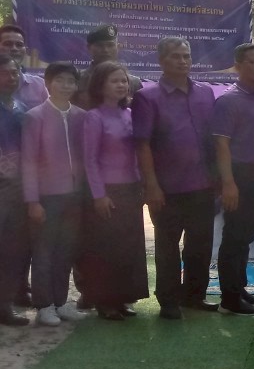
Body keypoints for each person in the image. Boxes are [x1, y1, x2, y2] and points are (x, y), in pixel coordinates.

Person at [133, 37, 218, 320]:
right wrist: (151, 185)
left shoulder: (205, 93)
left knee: (200, 244)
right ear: (161, 61)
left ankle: (194, 295)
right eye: (175, 56)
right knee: (167, 246)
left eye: (186, 56)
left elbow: (212, 139)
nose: (183, 61)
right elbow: (142, 144)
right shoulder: (148, 97)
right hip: (167, 188)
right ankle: (168, 300)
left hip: (203, 184)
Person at [210, 43, 254, 316]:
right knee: (235, 236)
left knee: (246, 235)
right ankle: (230, 297)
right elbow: (222, 146)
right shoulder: (228, 101)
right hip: (239, 175)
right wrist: (228, 183)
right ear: (238, 66)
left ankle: (240, 287)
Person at [79, 61, 148, 319]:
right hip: (107, 191)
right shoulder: (93, 117)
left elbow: (138, 155)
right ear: (100, 85)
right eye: (114, 81)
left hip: (131, 189)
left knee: (128, 247)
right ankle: (105, 302)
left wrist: (141, 185)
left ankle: (123, 298)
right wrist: (99, 195)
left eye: (123, 80)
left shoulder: (130, 114)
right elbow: (90, 160)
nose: (121, 85)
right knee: (106, 249)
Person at [21, 62, 86, 327]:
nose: (66, 86)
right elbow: (28, 162)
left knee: (65, 250)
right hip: (47, 197)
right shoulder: (34, 117)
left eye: (71, 81)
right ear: (48, 83)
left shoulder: (81, 116)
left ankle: (61, 302)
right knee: (44, 252)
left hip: (75, 196)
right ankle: (44, 305)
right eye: (60, 80)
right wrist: (32, 200)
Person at [0, 55, 31, 325]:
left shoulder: (21, 109)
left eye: (15, 73)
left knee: (12, 251)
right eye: (6, 73)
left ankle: (5, 306)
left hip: (18, 191)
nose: (12, 77)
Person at [73, 25, 141, 108]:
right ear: (89, 48)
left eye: (110, 45)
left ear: (118, 47)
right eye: (99, 46)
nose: (105, 50)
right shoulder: (77, 79)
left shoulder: (133, 82)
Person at [0, 24, 48, 111]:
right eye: (8, 44)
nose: (14, 48)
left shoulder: (39, 86)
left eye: (19, 45)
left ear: (25, 49)